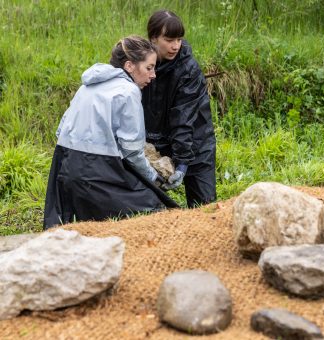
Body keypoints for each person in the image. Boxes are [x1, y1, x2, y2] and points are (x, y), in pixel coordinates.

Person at [43, 36, 173, 230]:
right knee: (152, 210)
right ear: (129, 66)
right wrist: (153, 177)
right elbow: (131, 151)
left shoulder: (87, 86)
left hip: (63, 165)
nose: (153, 75)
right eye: (149, 67)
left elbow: (61, 129)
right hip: (95, 170)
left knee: (68, 230)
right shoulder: (128, 91)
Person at [142, 10, 216, 208]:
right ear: (153, 38)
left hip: (195, 143)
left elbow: (184, 119)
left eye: (179, 39)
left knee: (205, 209)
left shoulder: (188, 70)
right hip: (153, 147)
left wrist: (182, 164)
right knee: (149, 210)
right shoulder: (140, 64)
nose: (175, 46)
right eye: (169, 39)